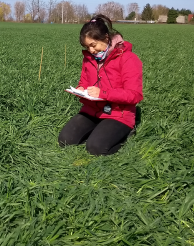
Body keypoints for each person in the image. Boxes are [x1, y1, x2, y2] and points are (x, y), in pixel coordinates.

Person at [58, 14, 143, 156]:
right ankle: (99, 129)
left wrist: (103, 93)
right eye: (87, 47)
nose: (91, 50)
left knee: (96, 148)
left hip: (118, 114)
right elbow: (84, 82)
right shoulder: (89, 59)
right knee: (65, 140)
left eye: (93, 45)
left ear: (106, 38)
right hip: (92, 111)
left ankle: (127, 133)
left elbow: (135, 95)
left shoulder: (128, 59)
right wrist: (80, 89)